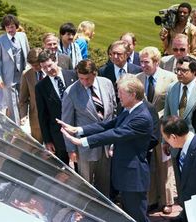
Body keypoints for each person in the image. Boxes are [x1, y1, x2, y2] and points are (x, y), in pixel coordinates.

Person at [58, 74, 153, 222]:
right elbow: (107, 124)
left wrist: (82, 142)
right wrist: (79, 130)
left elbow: (115, 134)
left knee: (137, 217)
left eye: (121, 93)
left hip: (134, 177)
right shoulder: (129, 110)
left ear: (133, 94)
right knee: (128, 215)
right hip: (125, 174)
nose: (118, 97)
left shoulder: (141, 117)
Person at [61, 59, 116, 196]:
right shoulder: (71, 92)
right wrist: (71, 149)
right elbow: (67, 123)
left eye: (88, 79)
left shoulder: (107, 84)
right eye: (81, 79)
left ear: (95, 73)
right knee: (85, 187)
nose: (84, 82)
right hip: (85, 148)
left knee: (104, 184)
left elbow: (113, 111)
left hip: (106, 144)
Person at [136, 46, 177, 213]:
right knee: (149, 164)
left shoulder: (170, 78)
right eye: (141, 62)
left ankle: (167, 200)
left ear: (156, 62)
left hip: (163, 128)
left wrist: (157, 117)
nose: (143, 66)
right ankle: (151, 199)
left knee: (165, 165)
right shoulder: (138, 78)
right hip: (146, 131)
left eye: (146, 62)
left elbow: (172, 104)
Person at [162, 56, 196, 212]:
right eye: (177, 70)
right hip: (174, 145)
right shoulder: (172, 88)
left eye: (183, 70)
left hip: (194, 144)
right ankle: (184, 211)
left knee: (194, 181)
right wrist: (165, 141)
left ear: (193, 72)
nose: (179, 73)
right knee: (179, 181)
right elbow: (167, 115)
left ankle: (195, 213)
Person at [35, 49, 77, 164]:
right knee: (62, 169)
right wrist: (47, 140)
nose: (48, 70)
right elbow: (42, 115)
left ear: (56, 61)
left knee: (80, 168)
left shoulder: (73, 75)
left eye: (49, 65)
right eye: (44, 68)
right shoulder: (41, 87)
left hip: (77, 130)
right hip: (58, 136)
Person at [0, 14, 30, 125]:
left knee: (22, 100)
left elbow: (28, 53)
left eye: (12, 27)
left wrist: (29, 69)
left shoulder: (22, 36)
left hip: (22, 75)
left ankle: (24, 122)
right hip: (8, 77)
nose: (10, 29)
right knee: (12, 103)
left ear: (16, 26)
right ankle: (16, 128)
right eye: (7, 27)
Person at [98, 40, 142, 112]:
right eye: (113, 53)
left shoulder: (137, 71)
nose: (115, 56)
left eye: (119, 54)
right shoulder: (103, 72)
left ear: (127, 55)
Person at [19, 48, 44, 143]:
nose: (35, 68)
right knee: (38, 147)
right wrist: (23, 115)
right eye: (32, 65)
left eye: (37, 65)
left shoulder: (51, 72)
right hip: (36, 118)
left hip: (52, 118)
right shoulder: (27, 75)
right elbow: (23, 98)